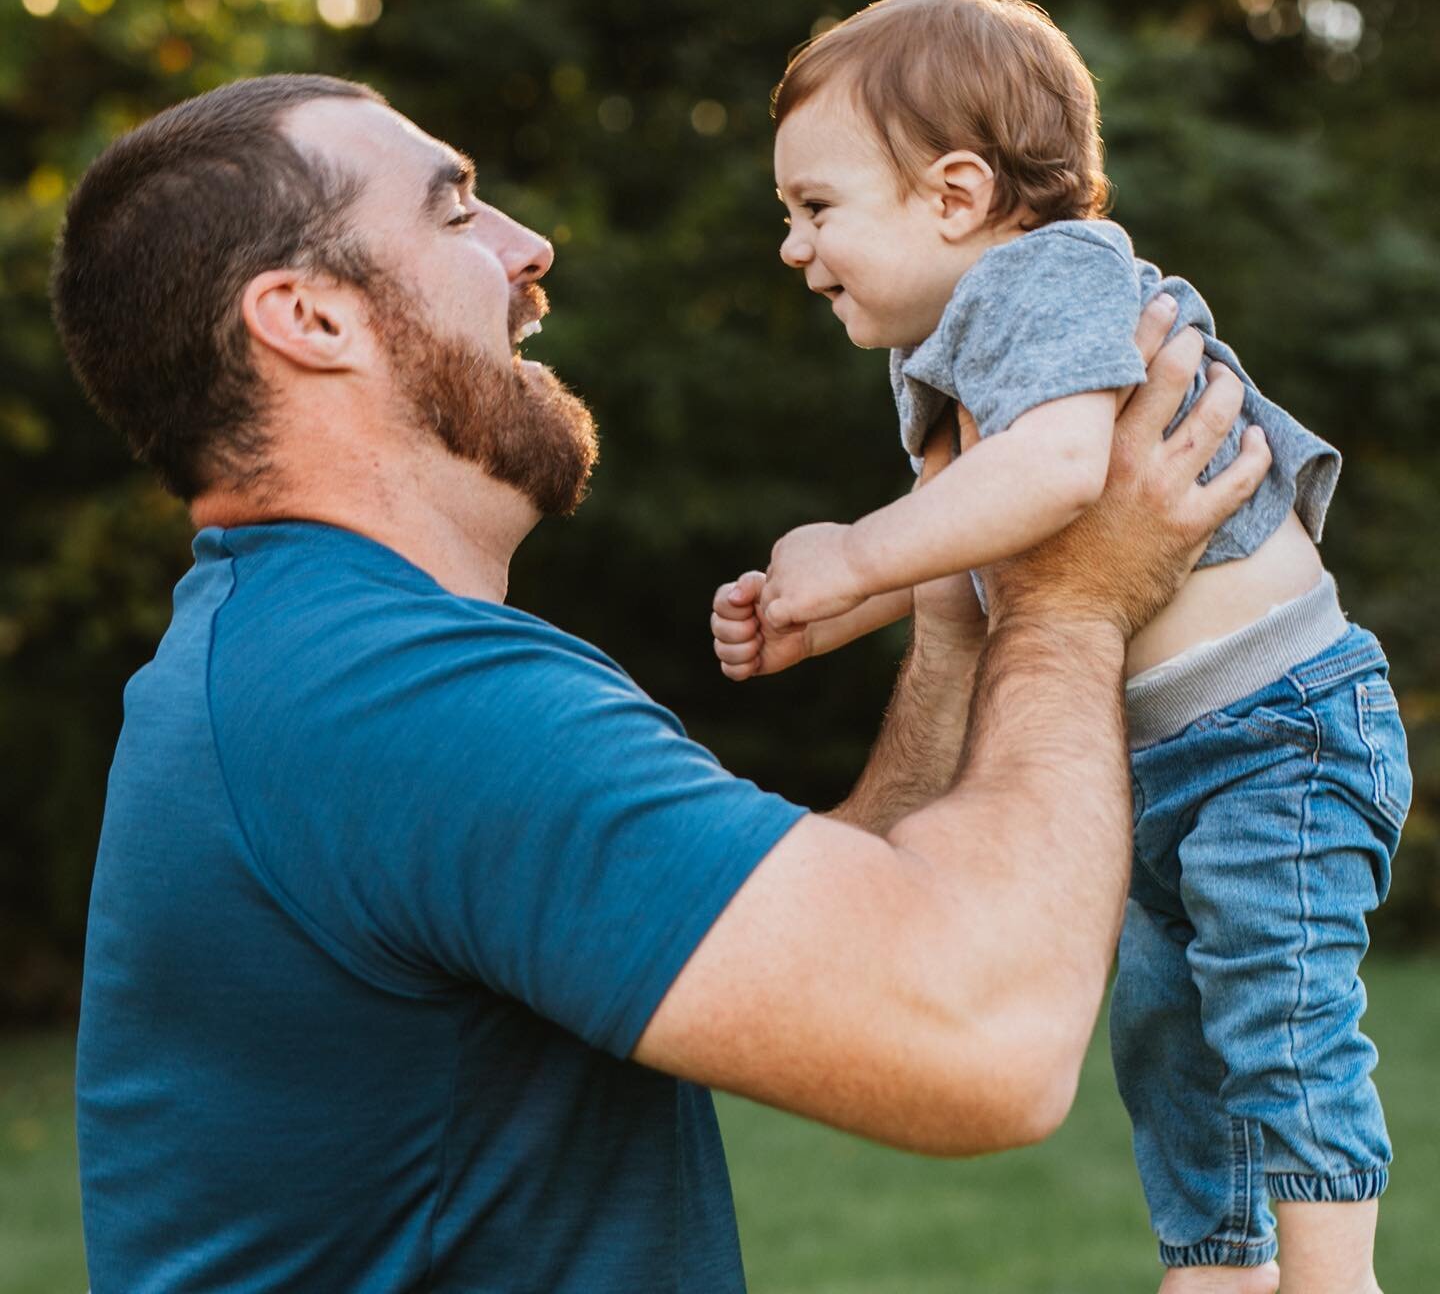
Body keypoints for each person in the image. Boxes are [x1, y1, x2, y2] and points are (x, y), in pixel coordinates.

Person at [52, 73, 1268, 1294]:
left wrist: (959, 616)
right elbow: (984, 1036)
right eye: (458, 213)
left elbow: (811, 939)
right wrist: (1075, 600)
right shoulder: (393, 699)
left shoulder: (307, 658)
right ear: (311, 319)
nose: (532, 249)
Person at [712, 0, 1411, 1294]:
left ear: (958, 197)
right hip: (1166, 751)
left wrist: (856, 551)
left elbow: (1054, 473)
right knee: (1165, 1030)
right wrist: (835, 603)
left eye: (816, 209)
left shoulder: (1048, 275)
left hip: (1280, 727)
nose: (797, 249)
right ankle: (1217, 1260)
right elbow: (970, 534)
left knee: (1275, 1005)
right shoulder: (946, 340)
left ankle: (1333, 1277)